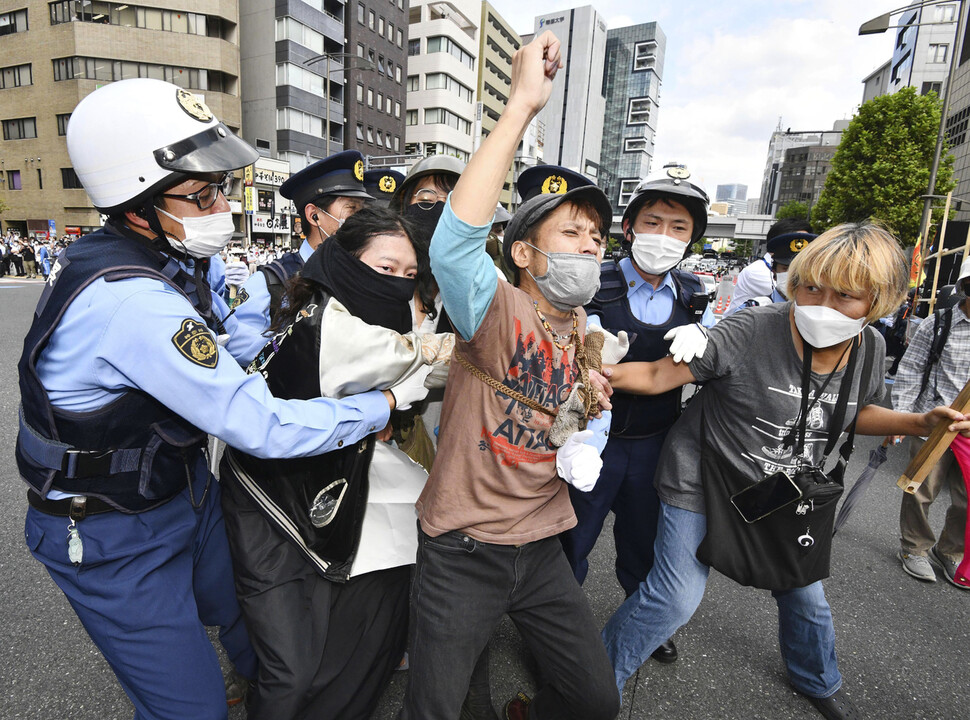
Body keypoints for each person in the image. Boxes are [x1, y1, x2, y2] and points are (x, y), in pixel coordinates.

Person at [15, 78, 426, 720]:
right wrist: (386, 404)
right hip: (108, 530)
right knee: (193, 709)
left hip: (181, 492)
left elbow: (229, 352)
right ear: (137, 199)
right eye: (201, 193)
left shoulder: (171, 260)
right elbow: (257, 425)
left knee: (252, 626)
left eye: (220, 188)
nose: (220, 205)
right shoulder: (131, 299)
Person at [598, 222, 970, 720]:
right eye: (812, 286)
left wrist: (920, 421)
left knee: (805, 596)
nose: (822, 305)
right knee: (674, 598)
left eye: (846, 296)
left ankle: (816, 679)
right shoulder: (754, 329)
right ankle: (593, 683)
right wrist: (589, 367)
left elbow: (854, 411)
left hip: (781, 489)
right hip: (701, 478)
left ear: (879, 302)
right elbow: (656, 375)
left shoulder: (871, 348)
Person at [399, 31, 620, 720]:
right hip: (463, 550)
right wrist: (521, 106)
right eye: (569, 234)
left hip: (543, 547)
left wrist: (591, 432)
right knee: (440, 707)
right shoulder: (497, 308)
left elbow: (583, 412)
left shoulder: (582, 329)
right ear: (523, 252)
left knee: (594, 701)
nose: (588, 247)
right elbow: (456, 240)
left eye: (596, 238)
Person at [220, 205, 446, 719]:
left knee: (343, 638)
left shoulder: (323, 306)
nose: (397, 285)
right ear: (344, 262)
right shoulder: (335, 330)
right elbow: (427, 359)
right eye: (385, 269)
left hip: (320, 492)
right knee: (292, 671)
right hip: (269, 504)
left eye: (409, 276)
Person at [560, 164, 711, 666]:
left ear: (692, 239)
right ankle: (557, 629)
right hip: (591, 436)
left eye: (678, 228)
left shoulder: (695, 295)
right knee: (571, 537)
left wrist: (707, 337)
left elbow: (710, 364)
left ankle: (644, 620)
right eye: (652, 222)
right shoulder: (592, 280)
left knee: (643, 541)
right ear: (629, 228)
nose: (662, 237)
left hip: (656, 440)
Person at [233, 150, 373, 334]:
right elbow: (239, 345)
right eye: (351, 208)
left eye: (361, 209)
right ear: (314, 215)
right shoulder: (272, 282)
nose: (360, 218)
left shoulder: (367, 271)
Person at [893, 258, 970, 587]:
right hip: (935, 422)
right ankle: (915, 548)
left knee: (967, 498)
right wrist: (901, 417)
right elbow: (911, 370)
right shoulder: (939, 324)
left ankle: (951, 551)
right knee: (921, 491)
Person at [724, 218, 814, 316]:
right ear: (774, 272)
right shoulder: (756, 272)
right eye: (786, 268)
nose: (795, 276)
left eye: (803, 268)